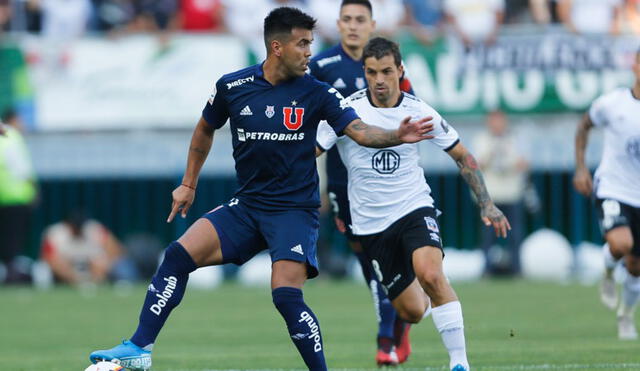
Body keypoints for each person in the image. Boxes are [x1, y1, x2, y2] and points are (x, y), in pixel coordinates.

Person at [88, 7, 435, 371]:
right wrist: (188, 184)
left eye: (311, 44)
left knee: (285, 297)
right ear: (277, 46)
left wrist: (396, 135)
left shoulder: (318, 93)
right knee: (176, 256)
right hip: (248, 207)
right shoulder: (233, 86)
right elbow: (205, 128)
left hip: (294, 213)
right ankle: (140, 347)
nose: (309, 52)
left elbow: (360, 131)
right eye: (302, 44)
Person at [317, 37, 510, 371]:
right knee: (413, 312)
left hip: (413, 208)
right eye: (372, 72)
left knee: (432, 275)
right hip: (370, 225)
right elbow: (309, 153)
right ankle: (428, 309)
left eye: (387, 71)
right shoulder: (346, 111)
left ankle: (460, 362)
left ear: (400, 70)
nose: (380, 80)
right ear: (364, 72)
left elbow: (463, 156)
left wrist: (487, 204)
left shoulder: (419, 112)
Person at [307, 0, 415, 365]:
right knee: (371, 261)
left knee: (395, 260)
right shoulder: (321, 66)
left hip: (390, 180)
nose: (353, 26)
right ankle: (390, 331)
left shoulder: (386, 65)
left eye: (360, 20)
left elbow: (410, 109)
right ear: (337, 24)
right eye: (347, 20)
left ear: (372, 24)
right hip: (344, 182)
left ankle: (391, 332)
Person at [573, 48, 640, 341]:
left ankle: (625, 317)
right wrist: (580, 168)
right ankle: (609, 273)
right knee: (621, 242)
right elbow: (583, 126)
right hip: (614, 186)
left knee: (636, 266)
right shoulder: (613, 104)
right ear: (635, 65)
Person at [473, 110, 529, 276]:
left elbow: (524, 163)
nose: (497, 125)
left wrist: (509, 160)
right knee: (488, 235)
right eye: (493, 121)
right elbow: (477, 165)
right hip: (491, 196)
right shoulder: (482, 140)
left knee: (514, 234)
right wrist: (493, 152)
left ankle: (517, 269)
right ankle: (487, 270)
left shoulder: (515, 139)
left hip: (511, 193)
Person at [40, 209, 139, 286]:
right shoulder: (56, 234)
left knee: (123, 267)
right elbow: (49, 259)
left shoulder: (94, 229)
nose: (78, 229)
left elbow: (116, 250)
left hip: (95, 274)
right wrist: (73, 277)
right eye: (75, 226)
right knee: (41, 270)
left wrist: (103, 267)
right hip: (66, 274)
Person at [0, 108, 38, 284]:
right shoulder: (12, 137)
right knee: (13, 243)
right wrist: (34, 190)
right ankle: (12, 277)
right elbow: (22, 169)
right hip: (15, 197)